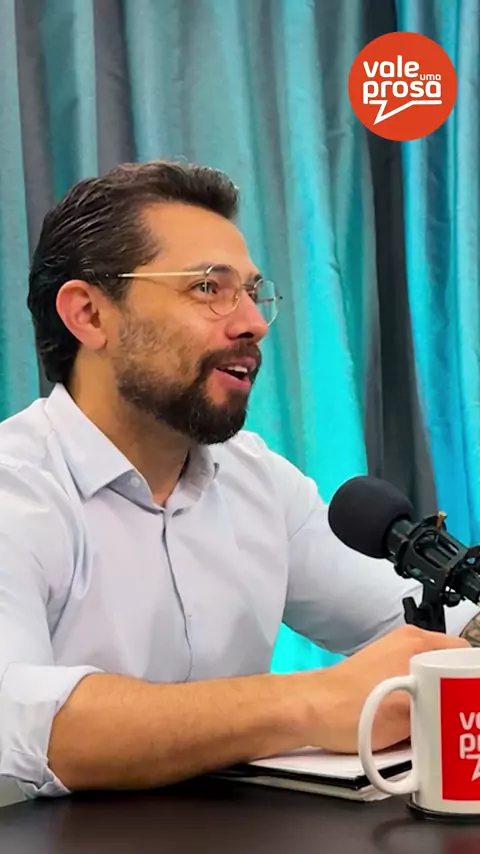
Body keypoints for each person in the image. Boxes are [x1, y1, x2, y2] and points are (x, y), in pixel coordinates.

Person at [0, 160, 474, 800]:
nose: (253, 322)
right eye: (208, 288)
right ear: (88, 315)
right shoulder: (16, 488)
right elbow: (25, 720)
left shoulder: (256, 480)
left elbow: (428, 622)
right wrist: (313, 701)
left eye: (252, 292)